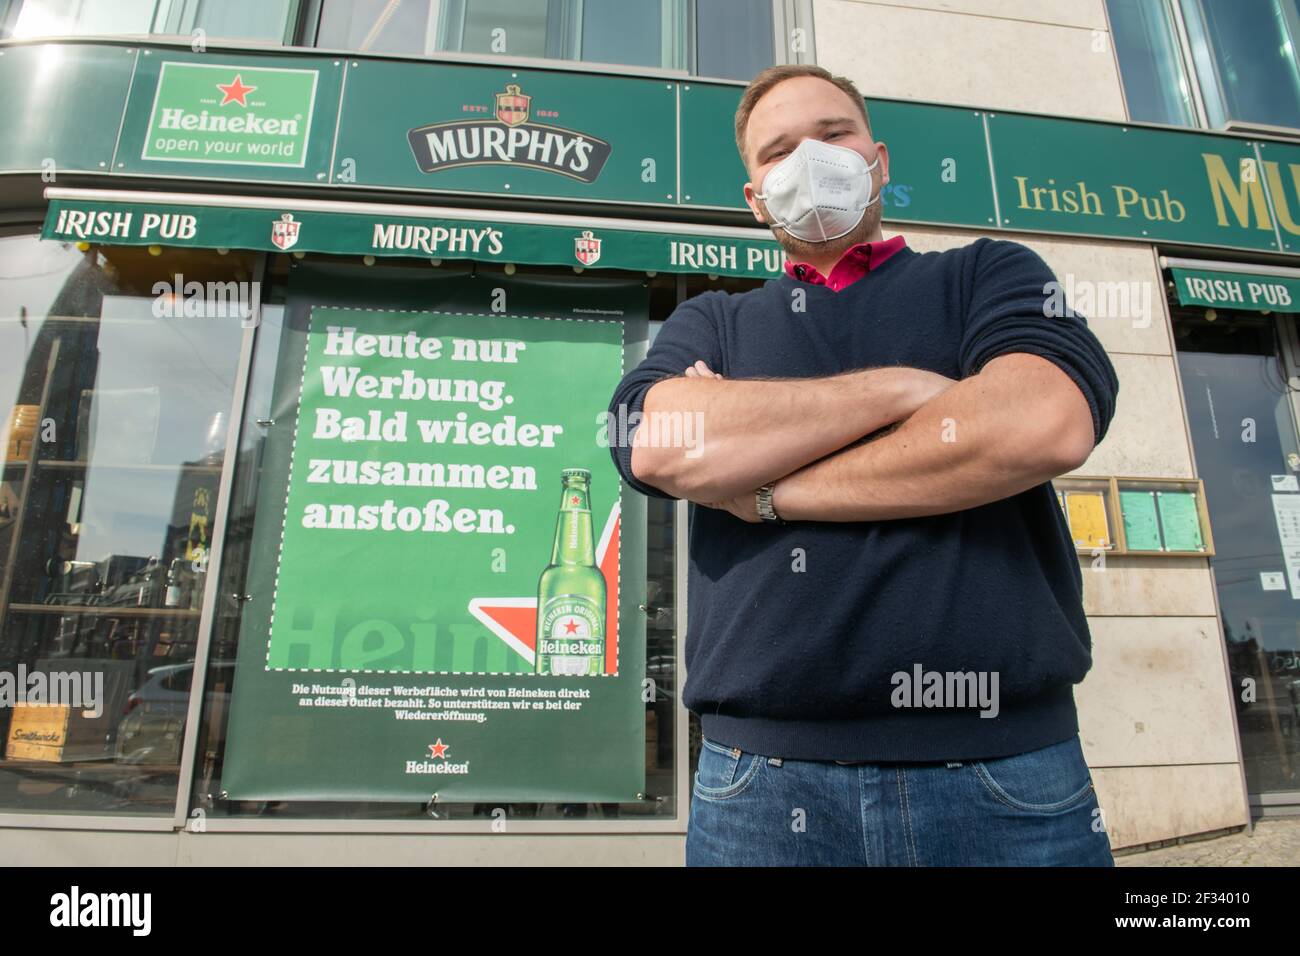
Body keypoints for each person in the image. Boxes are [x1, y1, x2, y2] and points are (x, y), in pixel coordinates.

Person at [605, 64, 1121, 866]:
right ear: (754, 197)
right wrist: (905, 390)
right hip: (759, 789)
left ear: (878, 158)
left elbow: (1043, 423)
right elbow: (655, 440)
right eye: (778, 149)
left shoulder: (987, 275)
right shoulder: (713, 319)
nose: (810, 157)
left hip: (1006, 777)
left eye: (834, 133)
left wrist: (773, 488)